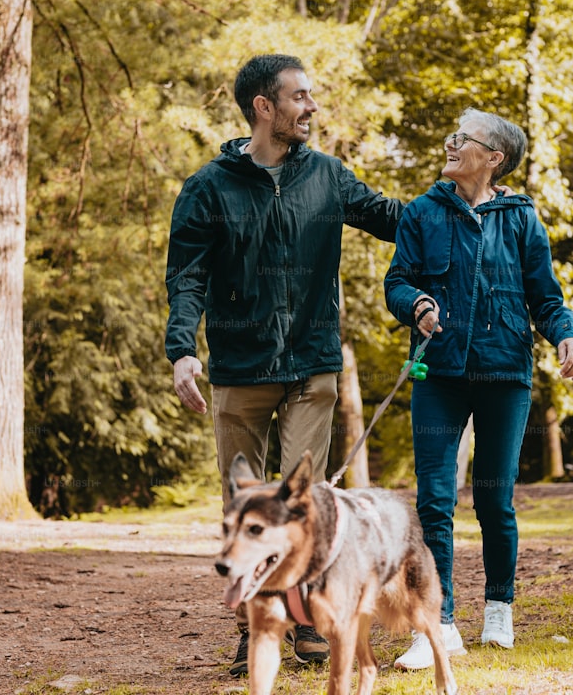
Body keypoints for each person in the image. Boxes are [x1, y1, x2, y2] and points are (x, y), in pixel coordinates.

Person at [164, 54, 404, 677]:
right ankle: (256, 625)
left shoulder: (327, 175)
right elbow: (185, 279)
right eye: (300, 97)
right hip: (240, 369)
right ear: (263, 107)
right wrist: (182, 350)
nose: (312, 108)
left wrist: (470, 199)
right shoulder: (207, 189)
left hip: (311, 364)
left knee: (306, 502)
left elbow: (393, 219)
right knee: (246, 508)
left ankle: (306, 623)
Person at [383, 108, 573, 669]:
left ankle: (499, 606)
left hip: (504, 375)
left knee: (495, 500)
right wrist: (417, 305)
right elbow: (397, 282)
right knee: (435, 501)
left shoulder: (521, 218)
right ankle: (438, 625)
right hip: (440, 375)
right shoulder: (422, 212)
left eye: (462, 138)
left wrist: (568, 336)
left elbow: (545, 298)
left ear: (493, 157)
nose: (450, 143)